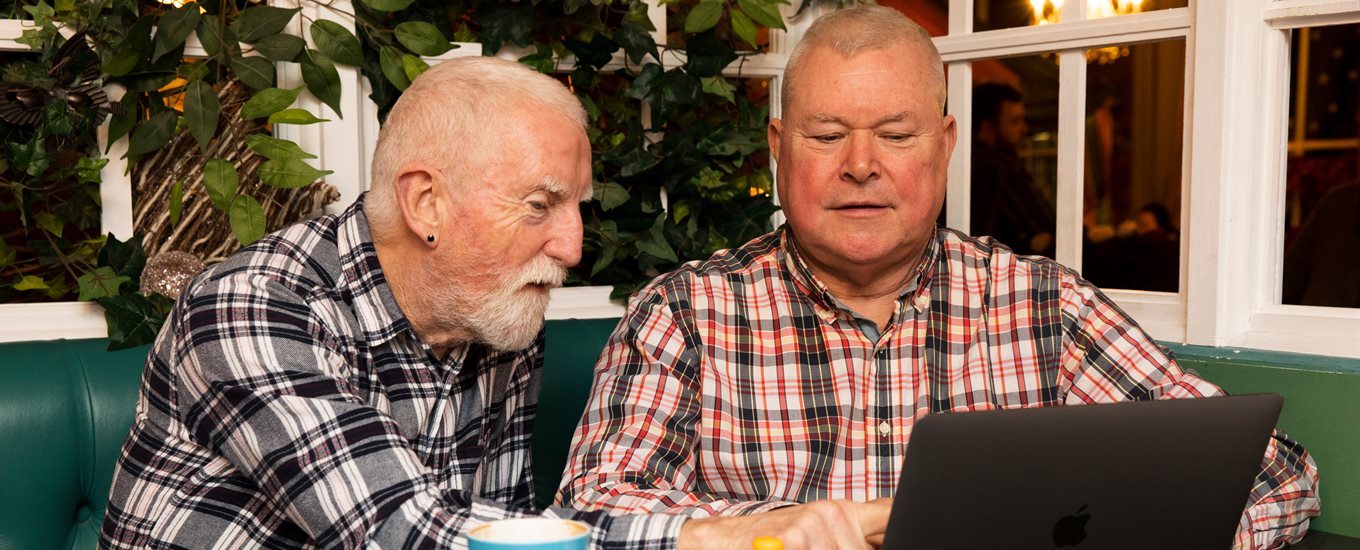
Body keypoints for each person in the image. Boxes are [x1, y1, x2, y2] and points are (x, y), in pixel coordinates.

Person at [556, 6, 1320, 549]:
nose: (861, 165)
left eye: (895, 134)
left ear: (945, 144)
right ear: (780, 148)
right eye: (827, 136)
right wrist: (761, 530)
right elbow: (588, 514)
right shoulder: (686, 312)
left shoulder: (1042, 304)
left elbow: (1276, 474)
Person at [99, 56, 890, 550]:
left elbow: (512, 535)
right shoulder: (252, 310)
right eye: (541, 205)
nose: (573, 248)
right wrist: (711, 537)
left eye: (577, 207)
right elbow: (412, 537)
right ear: (426, 204)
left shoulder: (493, 316)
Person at [970, 82, 1055, 256]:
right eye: (1015, 121)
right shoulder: (997, 169)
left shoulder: (979, 164)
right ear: (987, 127)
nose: (1024, 128)